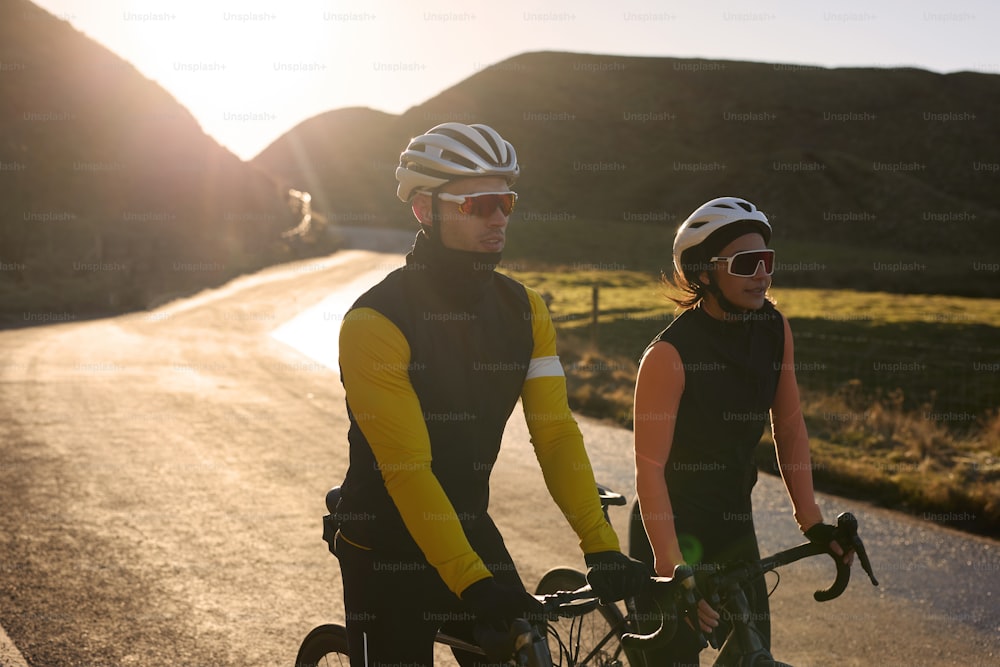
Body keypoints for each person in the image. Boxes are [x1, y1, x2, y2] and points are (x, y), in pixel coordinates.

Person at [333, 122, 648, 667]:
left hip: (468, 526)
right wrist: (473, 582)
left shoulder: (527, 310)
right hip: (384, 545)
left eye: (505, 201)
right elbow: (407, 469)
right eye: (477, 204)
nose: (498, 216)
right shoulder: (375, 321)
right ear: (423, 210)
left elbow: (553, 433)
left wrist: (599, 545)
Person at [629, 196, 854, 664]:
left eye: (767, 261)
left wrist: (811, 519)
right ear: (705, 273)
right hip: (672, 527)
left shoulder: (774, 328)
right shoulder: (668, 355)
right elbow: (649, 472)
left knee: (753, 654)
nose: (763, 275)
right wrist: (672, 571)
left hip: (733, 524)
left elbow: (789, 426)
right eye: (747, 263)